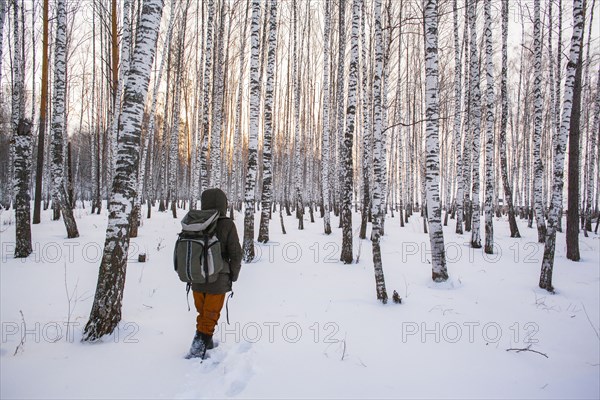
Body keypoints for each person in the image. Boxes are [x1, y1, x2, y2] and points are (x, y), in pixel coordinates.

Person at [186, 188, 242, 359]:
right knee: (210, 316)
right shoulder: (227, 224)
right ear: (224, 204)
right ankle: (197, 350)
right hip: (218, 279)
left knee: (203, 313)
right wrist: (234, 274)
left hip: (196, 278)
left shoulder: (193, 221)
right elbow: (235, 253)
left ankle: (206, 342)